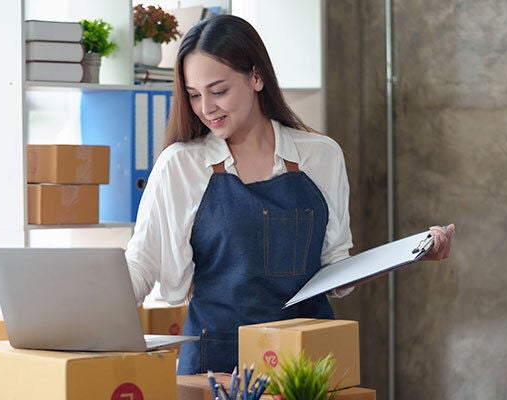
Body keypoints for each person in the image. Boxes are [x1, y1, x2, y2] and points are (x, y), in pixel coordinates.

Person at [124, 15, 455, 375]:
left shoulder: (321, 155)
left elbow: (334, 268)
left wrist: (410, 254)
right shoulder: (180, 165)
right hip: (214, 364)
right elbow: (141, 265)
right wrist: (84, 316)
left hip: (305, 361)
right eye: (194, 95)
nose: (206, 108)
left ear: (256, 76)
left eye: (218, 91)